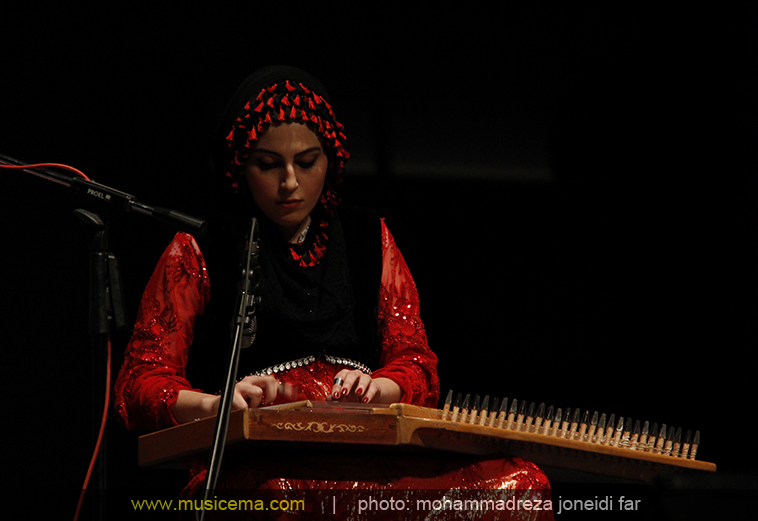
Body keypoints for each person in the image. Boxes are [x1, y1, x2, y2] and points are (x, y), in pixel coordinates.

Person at [113, 66, 553, 520]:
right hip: (260, 466)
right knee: (279, 495)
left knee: (521, 484)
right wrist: (218, 405)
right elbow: (140, 380)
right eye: (268, 164)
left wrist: (380, 387)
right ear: (240, 164)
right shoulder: (202, 246)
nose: (289, 182)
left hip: (368, 456)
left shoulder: (368, 237)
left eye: (307, 162)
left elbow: (417, 362)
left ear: (331, 159)